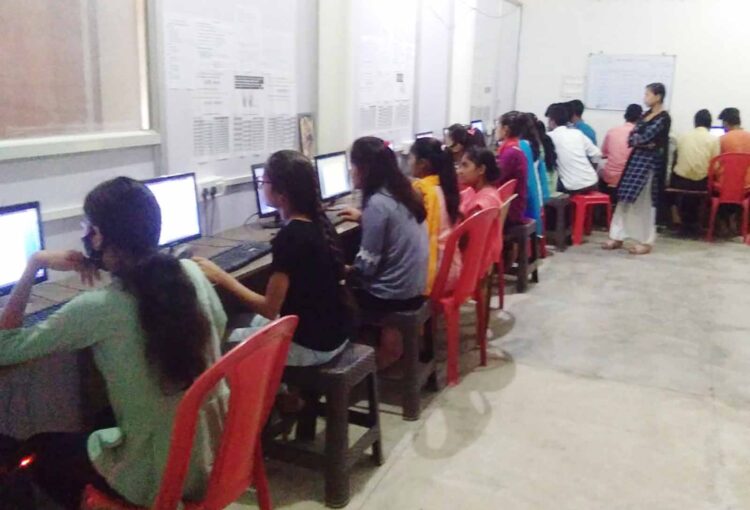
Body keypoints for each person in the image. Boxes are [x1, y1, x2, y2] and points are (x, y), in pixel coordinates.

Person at [0, 177, 227, 509]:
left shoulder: (99, 308)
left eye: (87, 226)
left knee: (40, 450)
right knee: (104, 418)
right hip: (209, 456)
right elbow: (219, 325)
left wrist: (35, 263)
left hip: (156, 475)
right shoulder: (192, 273)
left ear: (99, 236)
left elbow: (6, 347)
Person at [194, 150, 353, 367]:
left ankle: (261, 398)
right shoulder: (321, 223)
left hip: (311, 345)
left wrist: (222, 277)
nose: (261, 187)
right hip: (335, 332)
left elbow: (270, 309)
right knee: (239, 319)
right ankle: (285, 396)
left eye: (264, 181)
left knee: (217, 344)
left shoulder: (290, 237)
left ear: (281, 195)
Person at [339, 137, 428, 368]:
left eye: (353, 165)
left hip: (392, 294)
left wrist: (341, 269)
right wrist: (363, 218)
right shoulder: (402, 191)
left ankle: (352, 362)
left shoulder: (377, 204)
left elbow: (365, 268)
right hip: (416, 285)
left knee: (332, 290)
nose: (351, 171)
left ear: (364, 169)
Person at [604, 83, 672, 255]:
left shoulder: (663, 118)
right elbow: (633, 137)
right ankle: (617, 235)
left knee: (645, 202)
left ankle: (646, 241)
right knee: (624, 199)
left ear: (658, 96)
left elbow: (645, 136)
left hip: (650, 165)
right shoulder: (646, 115)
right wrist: (643, 141)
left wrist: (642, 140)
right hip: (635, 162)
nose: (645, 98)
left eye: (648, 94)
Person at [409, 137, 462, 293]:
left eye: (411, 158)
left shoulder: (423, 190)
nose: (408, 162)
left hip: (436, 274)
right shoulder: (443, 186)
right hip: (451, 266)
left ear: (423, 164)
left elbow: (422, 237)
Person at [458, 147, 503, 262]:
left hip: (472, 260)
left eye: (465, 165)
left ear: (481, 169)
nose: (460, 171)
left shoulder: (480, 206)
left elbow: (464, 241)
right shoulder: (489, 192)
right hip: (482, 257)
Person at [546, 103, 602, 194]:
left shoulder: (549, 137)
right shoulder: (577, 133)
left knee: (549, 185)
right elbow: (597, 154)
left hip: (571, 186)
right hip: (592, 182)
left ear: (552, 121)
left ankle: (561, 208)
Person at [495, 113, 529, 226]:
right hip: (515, 205)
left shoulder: (511, 153)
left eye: (498, 125)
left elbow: (496, 178)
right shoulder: (514, 148)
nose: (496, 129)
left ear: (505, 129)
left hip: (511, 210)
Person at [601, 104, 643, 187]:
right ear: (640, 118)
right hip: (628, 178)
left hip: (609, 177)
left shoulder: (612, 131)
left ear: (625, 116)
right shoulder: (639, 135)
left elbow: (603, 155)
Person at [718, 107, 750, 188]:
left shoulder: (722, 139)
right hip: (747, 185)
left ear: (725, 123)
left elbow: (716, 164)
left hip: (726, 184)